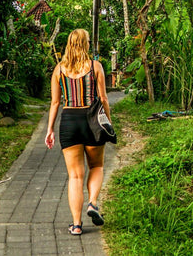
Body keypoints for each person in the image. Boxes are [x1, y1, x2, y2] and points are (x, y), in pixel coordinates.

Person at [46, 29, 111, 236]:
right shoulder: (95, 66)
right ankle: (92, 203)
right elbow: (103, 99)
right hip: (91, 120)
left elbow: (55, 102)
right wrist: (107, 122)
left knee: (75, 176)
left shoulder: (59, 69)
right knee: (97, 165)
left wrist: (50, 130)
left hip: (69, 121)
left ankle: (76, 225)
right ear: (85, 44)